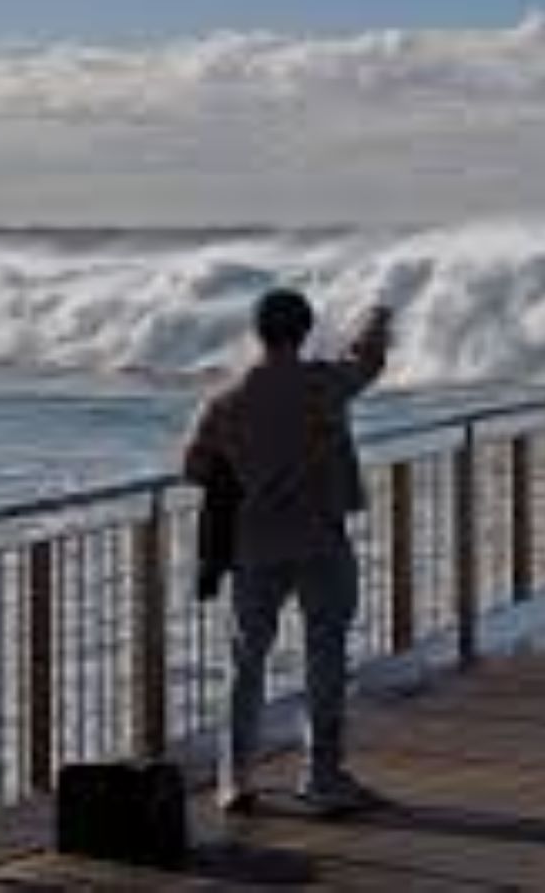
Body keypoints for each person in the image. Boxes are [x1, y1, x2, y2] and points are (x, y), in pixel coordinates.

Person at [182, 289, 392, 816]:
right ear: (304, 331)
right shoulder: (322, 384)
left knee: (246, 662)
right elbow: (366, 361)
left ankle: (235, 780)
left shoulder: (227, 399)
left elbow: (193, 465)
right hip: (320, 537)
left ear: (258, 332)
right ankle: (322, 777)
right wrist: (376, 317)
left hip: (254, 543)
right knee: (325, 657)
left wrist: (250, 474)